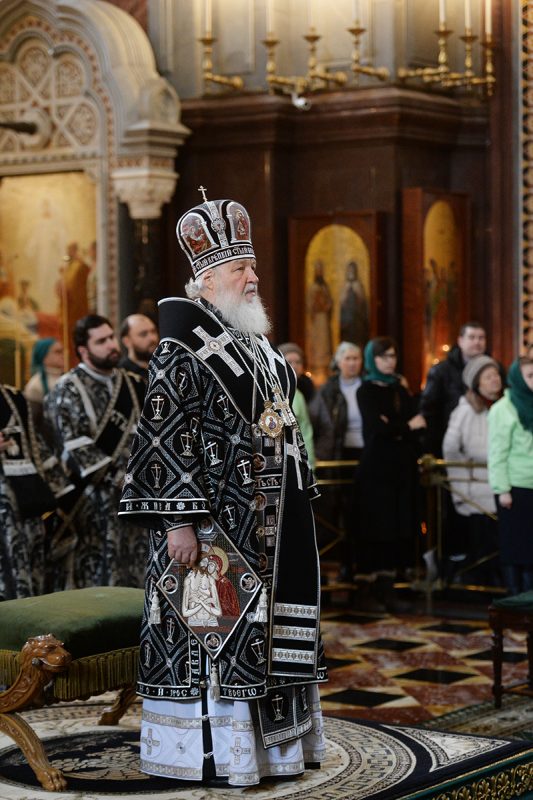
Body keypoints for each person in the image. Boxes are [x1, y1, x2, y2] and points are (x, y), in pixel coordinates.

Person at [119, 192, 326, 786]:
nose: (254, 276)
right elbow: (162, 436)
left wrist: (301, 492)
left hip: (275, 520)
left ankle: (275, 752)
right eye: (241, 268)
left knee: (272, 631)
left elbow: (282, 422)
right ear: (207, 280)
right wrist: (177, 522)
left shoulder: (256, 343)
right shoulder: (180, 348)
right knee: (218, 638)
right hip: (213, 529)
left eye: (252, 265)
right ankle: (216, 755)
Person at [43, 314, 146, 590]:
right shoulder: (67, 389)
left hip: (137, 501)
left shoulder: (135, 384)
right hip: (92, 506)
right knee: (98, 582)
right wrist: (119, 478)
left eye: (112, 337)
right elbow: (72, 445)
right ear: (83, 350)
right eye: (101, 341)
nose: (112, 345)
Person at [356, 337, 426, 610]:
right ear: (373, 359)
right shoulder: (367, 390)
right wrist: (405, 426)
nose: (390, 361)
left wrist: (399, 427)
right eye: (384, 356)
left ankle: (392, 589)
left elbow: (418, 423)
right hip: (377, 468)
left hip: (402, 467)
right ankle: (371, 590)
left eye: (393, 356)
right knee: (378, 526)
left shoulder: (400, 388)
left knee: (398, 525)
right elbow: (378, 428)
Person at [0, 383, 73, 600]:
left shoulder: (12, 396)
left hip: (24, 508)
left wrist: (62, 498)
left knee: (27, 582)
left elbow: (35, 447)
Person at [443, 355, 503, 586]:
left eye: (496, 374)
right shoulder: (465, 410)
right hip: (476, 489)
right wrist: (460, 487)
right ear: (476, 383)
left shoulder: (499, 406)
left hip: (495, 484)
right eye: (488, 377)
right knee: (482, 545)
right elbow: (450, 449)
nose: (494, 380)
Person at [488, 356, 533, 596]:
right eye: (530, 376)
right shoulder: (502, 409)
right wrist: (502, 489)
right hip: (514, 487)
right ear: (517, 378)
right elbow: (497, 452)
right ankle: (516, 602)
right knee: (516, 548)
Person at [419, 321, 497, 457]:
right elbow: (429, 412)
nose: (477, 342)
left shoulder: (495, 369)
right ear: (460, 341)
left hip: (487, 442)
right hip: (450, 442)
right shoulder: (441, 371)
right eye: (472, 337)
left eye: (481, 338)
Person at [278, 341, 333, 463]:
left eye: (298, 362)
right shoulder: (274, 391)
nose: (295, 366)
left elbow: (325, 426)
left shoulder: (310, 391)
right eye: (289, 362)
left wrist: (316, 454)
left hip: (309, 456)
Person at [23, 338, 65, 433]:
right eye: (57, 352)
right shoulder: (35, 385)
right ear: (44, 356)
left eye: (62, 351)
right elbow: (33, 425)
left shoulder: (69, 379)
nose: (62, 355)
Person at [119, 313, 159, 381]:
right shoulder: (121, 374)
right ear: (127, 341)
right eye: (143, 334)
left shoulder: (166, 367)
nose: (152, 338)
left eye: (153, 331)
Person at [339, 261, 369, 348]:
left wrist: (357, 292)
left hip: (357, 320)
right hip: (346, 322)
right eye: (349, 270)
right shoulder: (345, 286)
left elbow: (363, 302)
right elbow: (342, 302)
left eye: (352, 270)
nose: (351, 272)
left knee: (358, 341)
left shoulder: (359, 285)